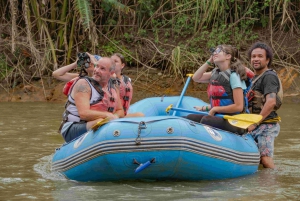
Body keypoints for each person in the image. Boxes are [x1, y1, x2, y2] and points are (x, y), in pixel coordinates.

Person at [186, 44, 252, 134]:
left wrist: (215, 109)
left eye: (218, 51)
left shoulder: (234, 76)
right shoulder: (215, 73)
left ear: (228, 56)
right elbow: (196, 78)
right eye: (214, 51)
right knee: (190, 118)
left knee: (207, 120)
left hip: (234, 120)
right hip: (219, 116)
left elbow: (239, 106)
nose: (214, 53)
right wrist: (209, 61)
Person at [59, 57, 124, 142]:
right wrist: (108, 116)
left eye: (102, 69)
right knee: (101, 122)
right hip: (72, 127)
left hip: (100, 123)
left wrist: (115, 116)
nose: (97, 70)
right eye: (97, 66)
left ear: (111, 73)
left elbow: (120, 111)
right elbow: (84, 114)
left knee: (107, 122)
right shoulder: (83, 84)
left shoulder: (114, 87)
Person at [247, 42, 282, 169]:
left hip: (266, 125)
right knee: (257, 160)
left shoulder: (269, 77)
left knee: (266, 160)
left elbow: (271, 102)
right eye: (253, 56)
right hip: (253, 124)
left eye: (260, 56)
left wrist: (255, 123)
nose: (256, 59)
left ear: (267, 60)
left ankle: (270, 186)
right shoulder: (254, 78)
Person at [110, 53, 144, 117]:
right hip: (113, 114)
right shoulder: (105, 79)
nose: (113, 63)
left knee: (140, 115)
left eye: (116, 61)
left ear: (122, 65)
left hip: (124, 113)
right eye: (111, 61)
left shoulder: (127, 80)